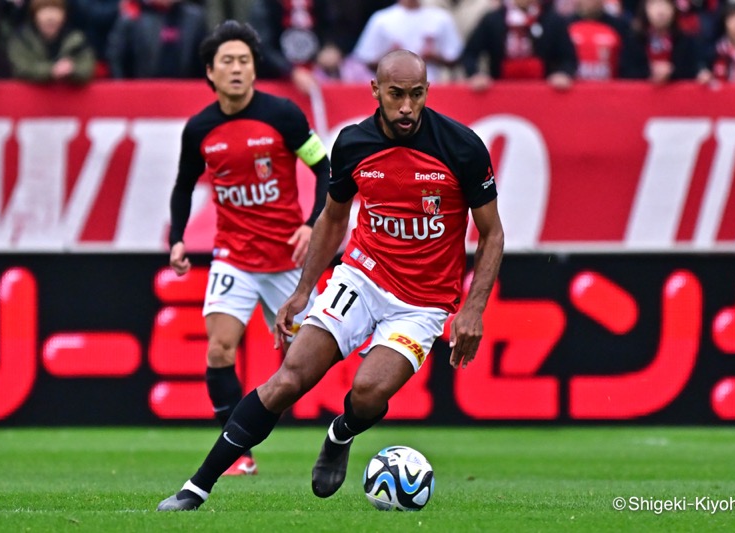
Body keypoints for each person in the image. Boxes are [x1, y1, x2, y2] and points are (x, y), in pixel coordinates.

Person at [157, 48, 504, 512]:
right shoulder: (354, 144)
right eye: (396, 95)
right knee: (288, 380)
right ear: (375, 91)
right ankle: (196, 488)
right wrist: (303, 290)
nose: (406, 107)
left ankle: (341, 433)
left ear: (427, 93)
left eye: (416, 95)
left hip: (422, 303)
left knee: (367, 390)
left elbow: (492, 233)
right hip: (361, 278)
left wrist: (473, 309)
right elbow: (333, 219)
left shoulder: (461, 147)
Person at [167, 20, 331, 476]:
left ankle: (338, 436)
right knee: (219, 349)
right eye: (228, 62)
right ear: (210, 73)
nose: (237, 69)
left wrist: (311, 224)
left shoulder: (283, 115)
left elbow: (325, 170)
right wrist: (177, 238)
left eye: (244, 61)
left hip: (287, 261)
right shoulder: (199, 128)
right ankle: (239, 450)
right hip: (233, 257)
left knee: (312, 360)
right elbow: (183, 186)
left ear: (255, 69)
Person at [461, 0, 579, 90]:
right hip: (500, 91)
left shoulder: (552, 20)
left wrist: (563, 74)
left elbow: (569, 58)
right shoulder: (493, 20)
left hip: (542, 92)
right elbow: (470, 53)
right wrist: (475, 74)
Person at [351, 0, 464, 83]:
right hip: (393, 89)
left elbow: (456, 58)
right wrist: (391, 57)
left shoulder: (441, 18)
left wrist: (434, 56)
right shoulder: (381, 19)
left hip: (433, 87)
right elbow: (366, 60)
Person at [106, 0, 207, 79]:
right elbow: (116, 57)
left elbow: (204, 58)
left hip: (185, 91)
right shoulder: (132, 17)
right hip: (143, 92)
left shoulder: (194, 18)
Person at [6, 0, 95, 83]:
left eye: (56, 11)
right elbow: (21, 68)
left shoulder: (76, 39)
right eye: (44, 11)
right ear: (34, 14)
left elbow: (87, 67)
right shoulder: (23, 38)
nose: (50, 17)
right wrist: (51, 70)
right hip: (30, 96)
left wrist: (72, 68)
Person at [621, 0, 703, 82]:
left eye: (665, 4)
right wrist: (650, 74)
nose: (660, 11)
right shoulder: (634, 40)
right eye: (654, 4)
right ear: (645, 9)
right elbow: (626, 73)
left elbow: (692, 72)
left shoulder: (685, 41)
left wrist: (671, 72)